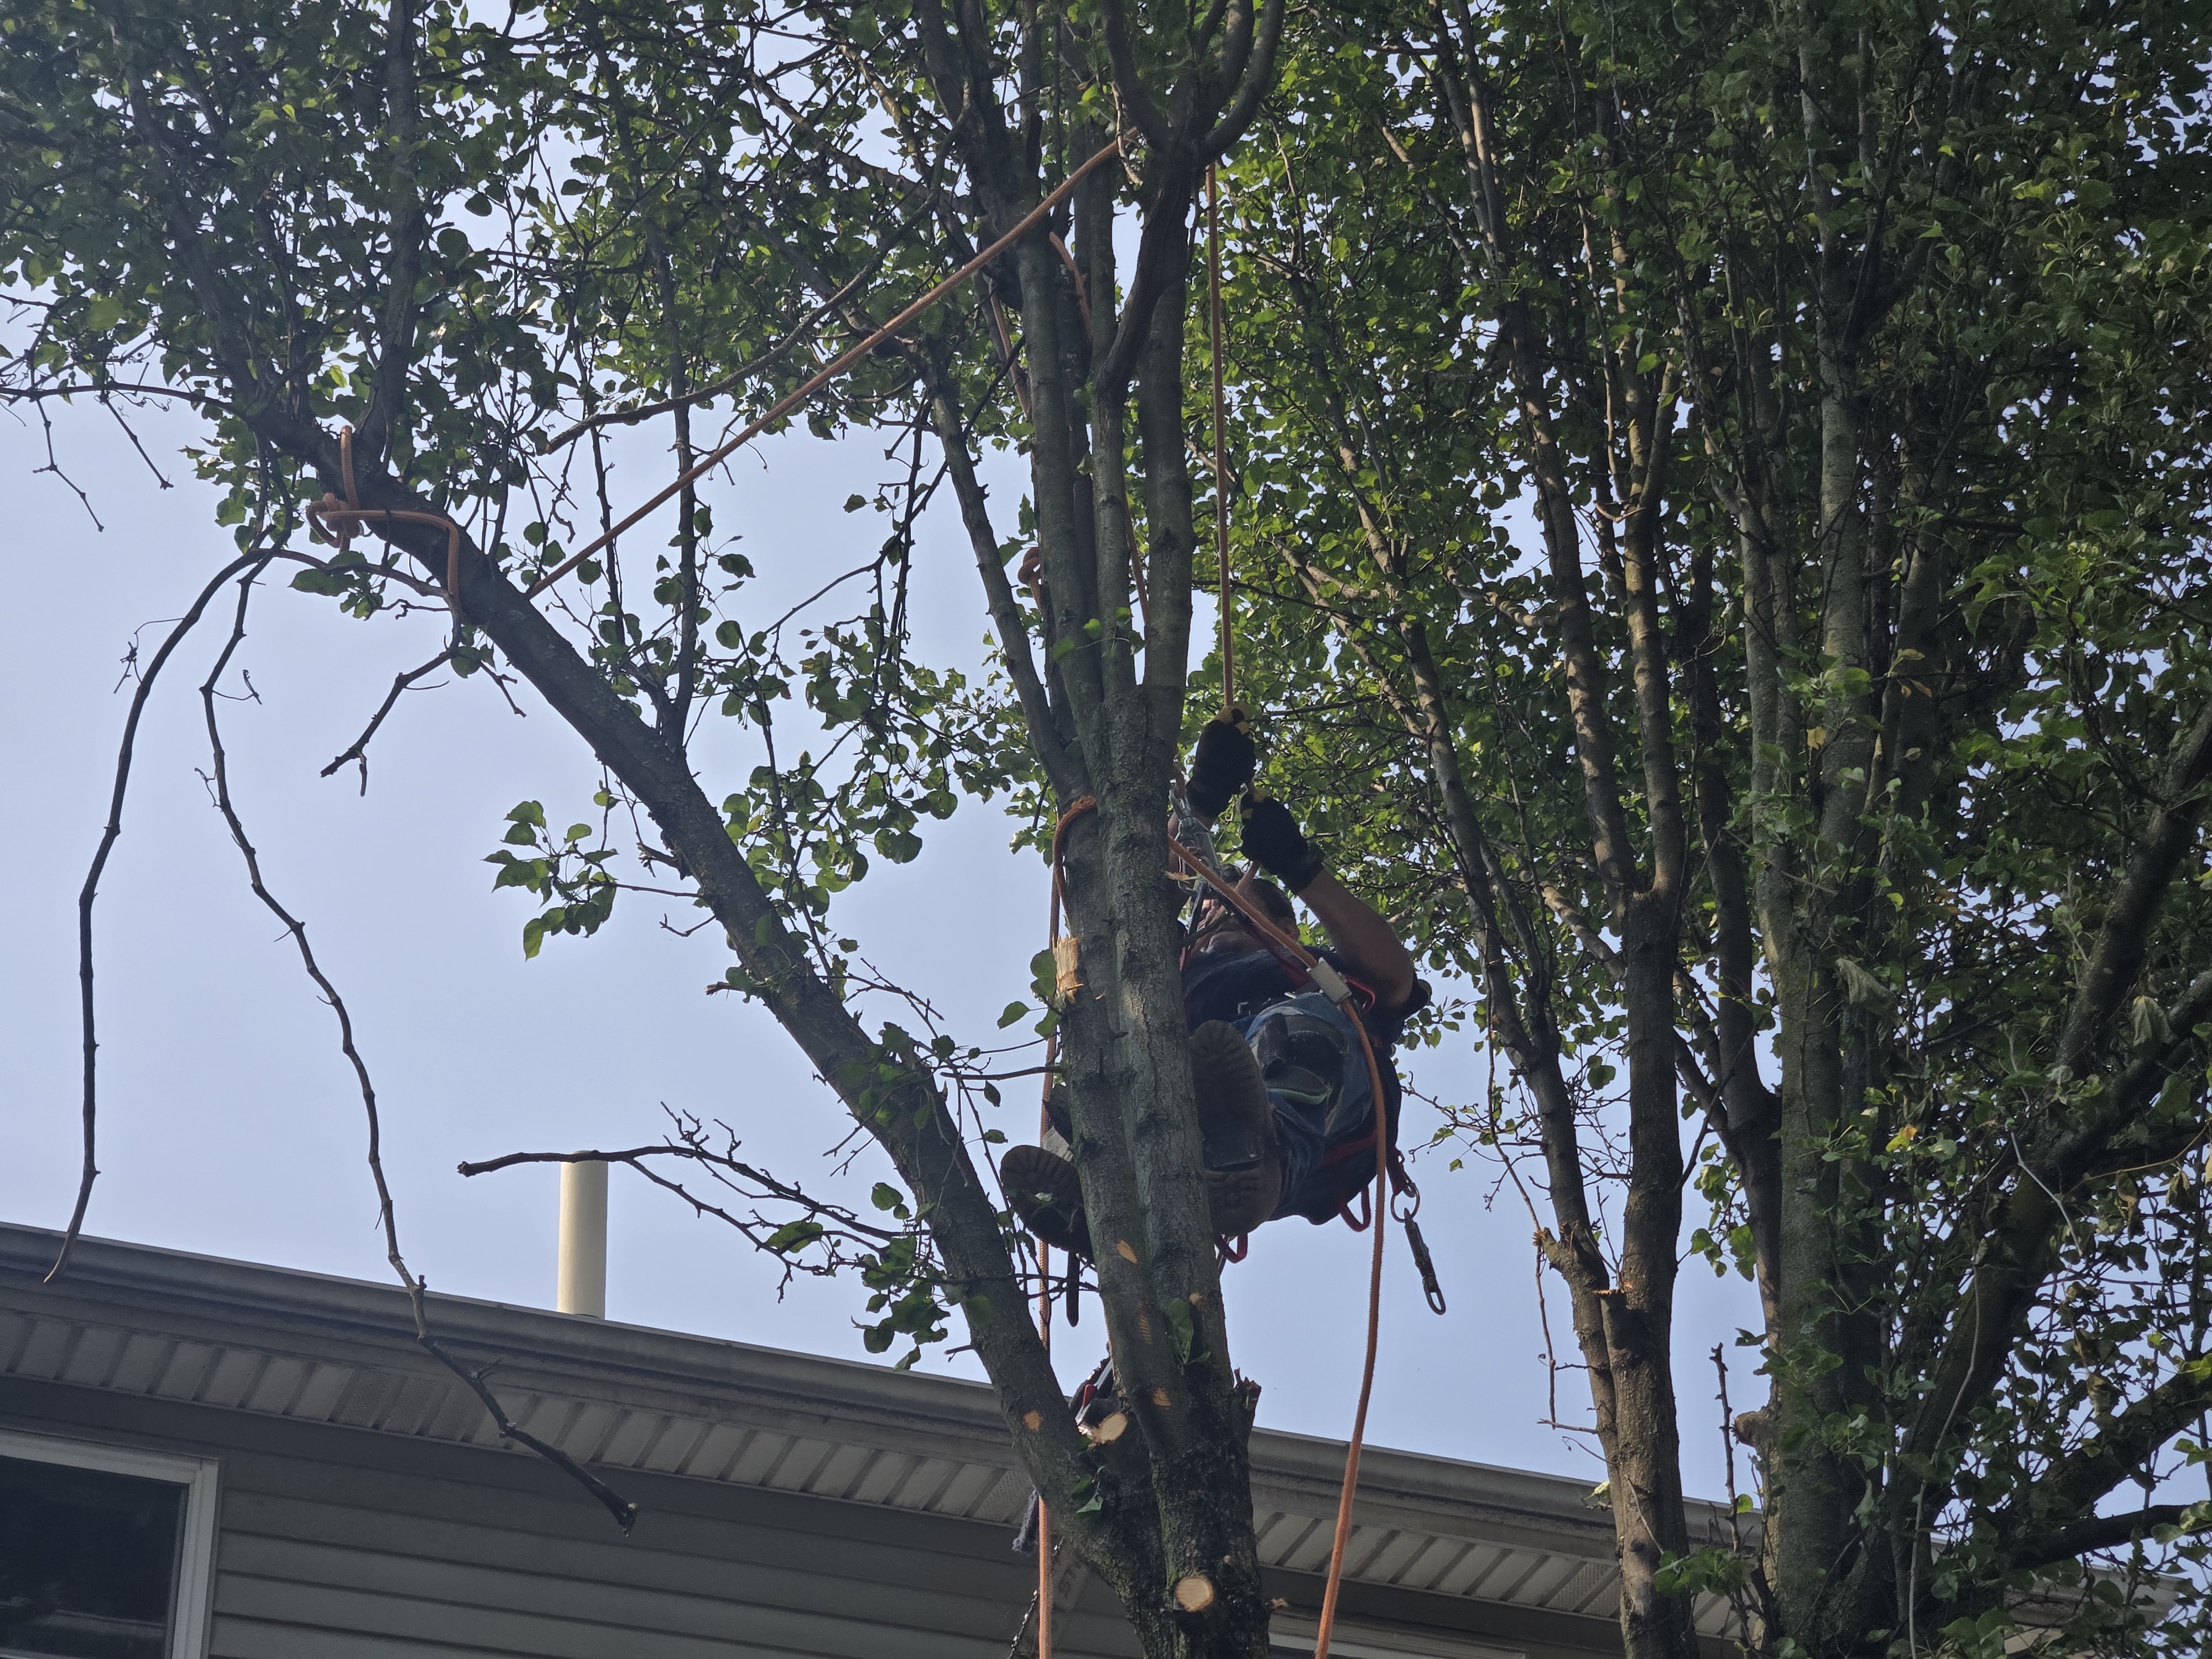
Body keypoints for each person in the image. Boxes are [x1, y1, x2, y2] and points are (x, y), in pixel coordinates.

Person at [1003, 711, 1422, 1258]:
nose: (1217, 908)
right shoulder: (1171, 974)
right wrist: (1201, 796)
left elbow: (1395, 981)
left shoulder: (1311, 969)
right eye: (1208, 905)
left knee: (1293, 1025)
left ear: (1285, 924)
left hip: (1309, 1109)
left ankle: (1256, 1154)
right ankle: (1094, 1203)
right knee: (1094, 1075)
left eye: (1238, 901)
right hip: (1188, 1110)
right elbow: (1132, 883)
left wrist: (1298, 866)